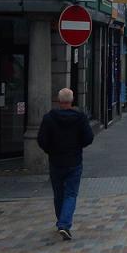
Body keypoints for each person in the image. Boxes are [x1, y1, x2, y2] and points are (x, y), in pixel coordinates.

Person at [37, 87, 94, 241]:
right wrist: (78, 146)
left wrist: (50, 150)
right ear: (71, 101)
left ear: (58, 100)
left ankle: (60, 222)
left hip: (56, 161)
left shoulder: (49, 118)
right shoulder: (80, 117)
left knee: (59, 194)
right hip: (74, 160)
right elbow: (89, 138)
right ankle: (64, 224)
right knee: (70, 194)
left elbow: (41, 140)